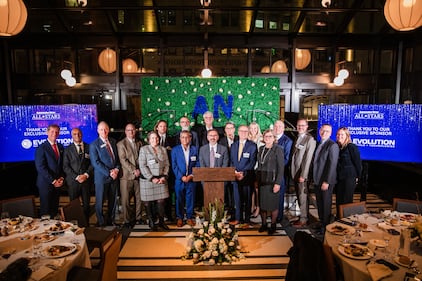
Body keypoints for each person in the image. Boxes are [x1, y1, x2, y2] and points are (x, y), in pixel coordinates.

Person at [90, 121, 121, 227]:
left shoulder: (113, 141)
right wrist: (109, 172)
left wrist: (116, 169)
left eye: (106, 129)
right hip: (102, 178)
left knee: (113, 200)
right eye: (101, 129)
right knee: (100, 201)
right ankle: (101, 221)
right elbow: (95, 162)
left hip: (114, 177)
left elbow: (117, 159)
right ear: (98, 131)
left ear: (108, 129)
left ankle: (110, 220)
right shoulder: (94, 144)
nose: (104, 131)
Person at [139, 131, 170, 231]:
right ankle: (151, 222)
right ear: (148, 140)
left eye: (156, 138)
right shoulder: (144, 149)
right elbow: (142, 166)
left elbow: (167, 164)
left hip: (161, 180)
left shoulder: (163, 149)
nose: (155, 140)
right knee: (148, 202)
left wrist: (164, 176)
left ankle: (161, 222)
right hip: (148, 180)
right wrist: (152, 178)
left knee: (161, 201)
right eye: (152, 138)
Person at [256, 129, 284, 235]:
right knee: (262, 205)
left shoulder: (278, 149)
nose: (268, 138)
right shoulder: (261, 148)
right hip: (262, 180)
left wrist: (277, 183)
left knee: (273, 206)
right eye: (266, 136)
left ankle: (273, 225)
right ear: (263, 138)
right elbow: (259, 165)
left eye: (270, 136)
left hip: (272, 181)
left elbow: (281, 168)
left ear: (274, 138)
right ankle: (264, 224)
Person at [312, 124, 339, 233]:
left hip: (325, 181)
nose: (324, 133)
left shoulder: (332, 145)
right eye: (323, 130)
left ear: (331, 133)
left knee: (326, 204)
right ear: (320, 131)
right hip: (317, 179)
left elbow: (332, 165)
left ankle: (325, 227)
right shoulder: (319, 143)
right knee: (319, 203)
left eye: (327, 131)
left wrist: (327, 181)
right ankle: (321, 222)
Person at [63, 127, 93, 224]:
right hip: (73, 182)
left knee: (86, 206)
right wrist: (77, 177)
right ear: (72, 136)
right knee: (74, 206)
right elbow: (65, 166)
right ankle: (75, 226)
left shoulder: (89, 147)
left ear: (82, 134)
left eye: (79, 133)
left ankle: (86, 224)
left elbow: (93, 163)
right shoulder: (67, 149)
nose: (77, 136)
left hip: (86, 181)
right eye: (75, 134)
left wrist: (86, 175)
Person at [35, 124, 65, 218]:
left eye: (56, 132)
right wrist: (53, 181)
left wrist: (61, 178)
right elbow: (40, 167)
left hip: (58, 184)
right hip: (46, 184)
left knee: (54, 210)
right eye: (52, 131)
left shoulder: (60, 147)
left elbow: (62, 165)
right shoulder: (41, 148)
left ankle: (54, 231)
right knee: (46, 212)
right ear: (47, 132)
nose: (54, 134)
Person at [117, 123, 143, 228]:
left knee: (139, 198)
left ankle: (138, 218)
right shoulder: (121, 144)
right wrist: (134, 170)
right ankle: (127, 220)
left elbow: (142, 158)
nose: (131, 132)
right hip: (126, 177)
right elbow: (123, 160)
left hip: (138, 175)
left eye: (132, 130)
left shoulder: (140, 143)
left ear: (135, 131)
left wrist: (140, 170)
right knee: (126, 200)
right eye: (128, 130)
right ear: (125, 131)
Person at [290, 118, 316, 227]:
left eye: (302, 125)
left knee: (303, 196)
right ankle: (302, 216)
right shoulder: (298, 138)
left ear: (307, 127)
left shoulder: (310, 140)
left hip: (302, 175)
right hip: (295, 173)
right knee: (299, 196)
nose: (300, 127)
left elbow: (307, 159)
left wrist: (303, 175)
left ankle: (304, 219)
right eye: (299, 125)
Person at [230, 124, 257, 226]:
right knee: (237, 199)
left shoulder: (252, 145)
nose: (243, 133)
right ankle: (238, 218)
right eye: (241, 131)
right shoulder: (233, 145)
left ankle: (247, 220)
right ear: (238, 132)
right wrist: (235, 173)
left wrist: (243, 173)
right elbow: (231, 160)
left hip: (247, 177)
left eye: (245, 131)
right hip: (235, 176)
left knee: (247, 200)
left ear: (248, 133)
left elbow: (252, 162)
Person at [171, 130, 199, 227]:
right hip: (180, 180)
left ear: (190, 138)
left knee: (190, 199)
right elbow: (174, 165)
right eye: (182, 137)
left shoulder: (195, 149)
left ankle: (189, 217)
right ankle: (180, 218)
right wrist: (181, 176)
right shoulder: (175, 150)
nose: (185, 139)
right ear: (180, 139)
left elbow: (197, 164)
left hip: (191, 179)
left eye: (187, 137)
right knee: (179, 199)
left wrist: (191, 175)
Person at [198, 129, 229, 209]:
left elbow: (225, 165)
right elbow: (202, 165)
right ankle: (208, 218)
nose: (213, 137)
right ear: (207, 137)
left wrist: (216, 176)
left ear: (218, 137)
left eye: (215, 135)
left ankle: (219, 218)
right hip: (206, 179)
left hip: (220, 179)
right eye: (211, 136)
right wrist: (209, 176)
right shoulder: (202, 149)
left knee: (219, 201)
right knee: (208, 200)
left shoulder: (224, 149)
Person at [335, 127, 362, 217]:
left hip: (349, 178)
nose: (339, 136)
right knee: (339, 200)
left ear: (347, 136)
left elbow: (358, 164)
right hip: (340, 178)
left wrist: (357, 178)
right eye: (338, 134)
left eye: (342, 134)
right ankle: (338, 220)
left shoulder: (351, 147)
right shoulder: (337, 147)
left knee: (346, 201)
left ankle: (346, 222)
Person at [154, 119, 176, 222]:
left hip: (168, 171)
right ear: (157, 127)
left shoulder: (172, 140)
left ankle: (168, 215)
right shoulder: (152, 139)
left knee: (168, 193)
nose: (163, 128)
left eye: (165, 126)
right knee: (156, 195)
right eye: (161, 126)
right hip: (155, 172)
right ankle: (157, 216)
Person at [273, 120, 293, 223]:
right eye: (275, 126)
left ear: (283, 128)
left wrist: (274, 168)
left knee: (279, 196)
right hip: (269, 173)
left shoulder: (287, 141)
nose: (277, 128)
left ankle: (278, 217)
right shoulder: (270, 138)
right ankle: (272, 215)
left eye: (279, 126)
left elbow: (286, 159)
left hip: (280, 173)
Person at [218, 121, 238, 216]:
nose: (229, 130)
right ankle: (226, 209)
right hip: (225, 169)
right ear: (225, 130)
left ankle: (235, 209)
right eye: (227, 128)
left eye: (231, 128)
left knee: (235, 190)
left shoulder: (238, 139)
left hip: (236, 169)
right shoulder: (221, 141)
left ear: (234, 129)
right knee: (226, 189)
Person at [248, 122, 264, 218]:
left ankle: (258, 208)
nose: (253, 130)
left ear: (258, 129)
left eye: (255, 128)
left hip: (257, 168)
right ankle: (252, 206)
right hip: (249, 168)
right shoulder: (247, 139)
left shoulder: (261, 140)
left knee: (257, 189)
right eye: (251, 128)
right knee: (251, 189)